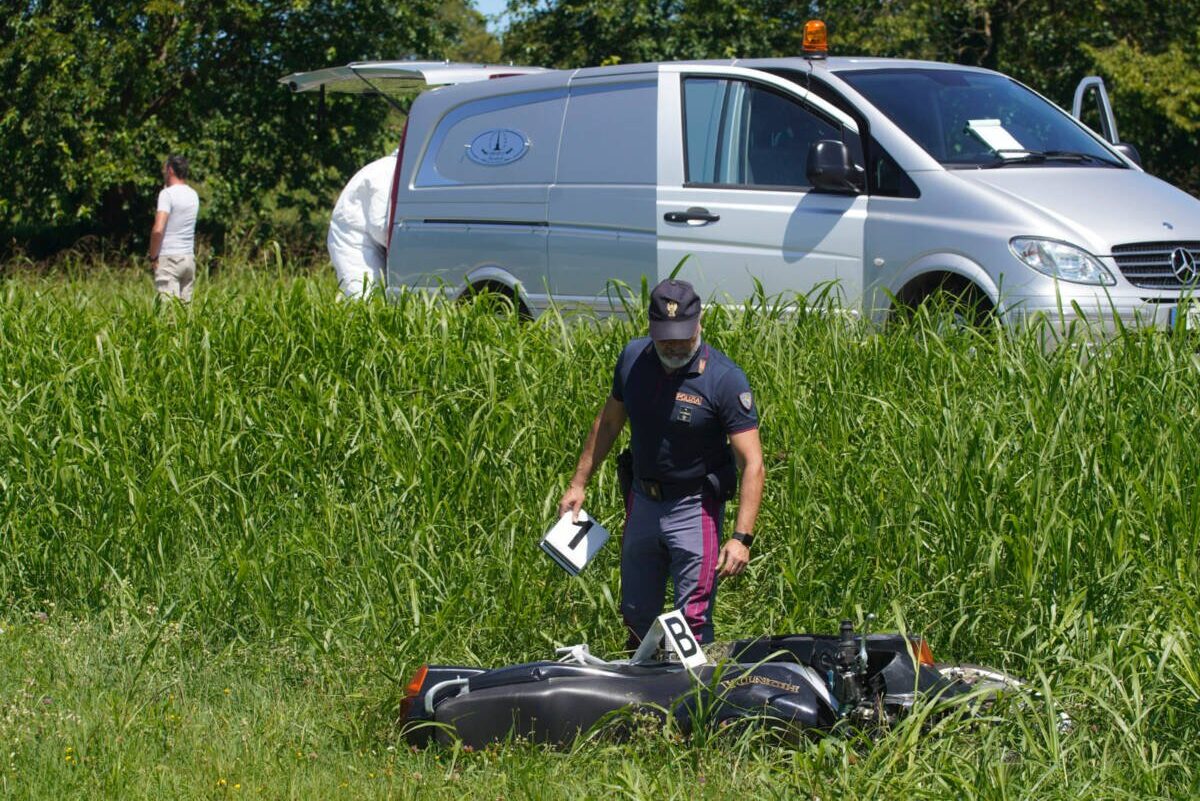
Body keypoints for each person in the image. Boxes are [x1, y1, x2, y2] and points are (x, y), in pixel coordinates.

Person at [558, 279, 765, 647]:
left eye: (682, 336)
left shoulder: (725, 379)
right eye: (665, 337)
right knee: (636, 613)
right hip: (642, 500)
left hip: (695, 506)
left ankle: (690, 699)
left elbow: (752, 462)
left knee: (691, 620)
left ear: (699, 323)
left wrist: (740, 538)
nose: (673, 346)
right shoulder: (633, 359)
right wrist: (579, 483)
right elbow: (608, 422)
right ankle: (638, 698)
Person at [327, 150, 397, 300]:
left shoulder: (390, 169)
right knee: (363, 298)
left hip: (367, 238)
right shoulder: (386, 172)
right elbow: (379, 224)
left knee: (379, 299)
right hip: (353, 241)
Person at [148, 155, 200, 301]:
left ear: (170, 170)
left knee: (169, 315)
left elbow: (158, 229)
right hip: (188, 259)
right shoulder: (193, 195)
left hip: (170, 259)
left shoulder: (167, 194)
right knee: (185, 315)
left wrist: (153, 256)